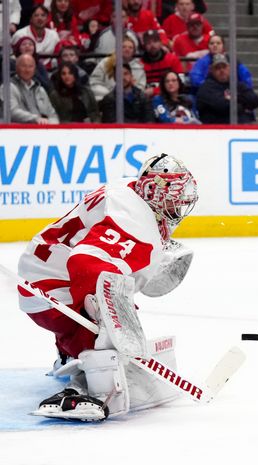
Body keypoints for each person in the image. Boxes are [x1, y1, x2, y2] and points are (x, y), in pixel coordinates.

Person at [18, 153, 199, 421]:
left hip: (42, 270)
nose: (182, 200)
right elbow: (84, 264)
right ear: (154, 191)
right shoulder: (135, 223)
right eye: (174, 193)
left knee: (112, 293)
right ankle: (82, 390)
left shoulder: (129, 189)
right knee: (110, 315)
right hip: (50, 294)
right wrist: (110, 326)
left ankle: (69, 352)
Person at [195, 53, 258, 124]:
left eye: (224, 67)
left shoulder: (236, 84)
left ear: (229, 68)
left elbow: (254, 100)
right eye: (217, 68)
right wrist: (244, 106)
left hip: (242, 128)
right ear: (211, 70)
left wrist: (233, 98)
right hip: (217, 130)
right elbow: (224, 106)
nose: (222, 70)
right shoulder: (206, 88)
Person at [2, 54, 59, 124]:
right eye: (23, 66)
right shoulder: (7, 87)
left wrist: (53, 124)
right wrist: (36, 119)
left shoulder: (40, 90)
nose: (27, 70)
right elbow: (11, 112)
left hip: (42, 131)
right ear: (16, 68)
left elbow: (52, 114)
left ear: (34, 69)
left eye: (30, 66)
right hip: (17, 131)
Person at [89, 35, 147, 102]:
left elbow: (140, 88)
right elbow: (94, 83)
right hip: (106, 101)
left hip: (130, 103)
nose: (127, 49)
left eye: (130, 47)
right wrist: (111, 95)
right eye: (124, 47)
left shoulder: (139, 69)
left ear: (134, 51)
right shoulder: (105, 63)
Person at [189, 34, 253, 92]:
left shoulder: (233, 61)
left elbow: (246, 78)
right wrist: (211, 88)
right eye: (212, 43)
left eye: (218, 43)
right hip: (208, 93)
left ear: (223, 46)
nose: (215, 45)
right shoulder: (201, 62)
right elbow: (195, 78)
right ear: (208, 46)